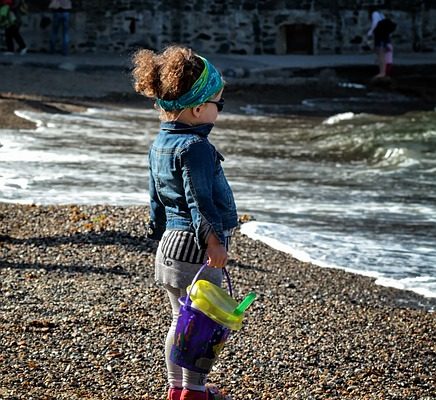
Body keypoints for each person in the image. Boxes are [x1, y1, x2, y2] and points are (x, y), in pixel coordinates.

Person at [131, 46, 238, 400]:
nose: (218, 111)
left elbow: (155, 198)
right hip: (196, 249)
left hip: (169, 248)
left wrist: (156, 233)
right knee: (200, 326)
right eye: (218, 104)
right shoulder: (196, 147)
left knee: (181, 319)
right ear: (197, 108)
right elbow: (199, 201)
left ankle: (178, 389)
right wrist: (214, 243)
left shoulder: (159, 144)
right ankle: (194, 392)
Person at [367, 8, 394, 79]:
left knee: (381, 55)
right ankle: (384, 72)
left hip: (379, 35)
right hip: (385, 36)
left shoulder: (375, 13)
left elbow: (375, 24)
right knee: (384, 55)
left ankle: (382, 73)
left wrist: (370, 32)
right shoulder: (381, 14)